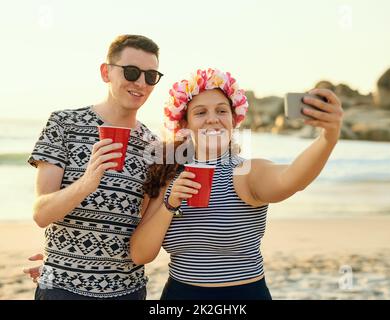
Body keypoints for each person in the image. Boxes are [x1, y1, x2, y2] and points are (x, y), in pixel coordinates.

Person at [129, 68, 344, 300]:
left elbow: (292, 179)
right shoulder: (167, 174)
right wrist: (170, 204)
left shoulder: (246, 173)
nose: (213, 118)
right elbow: (140, 255)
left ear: (234, 119)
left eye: (222, 111)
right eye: (200, 112)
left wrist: (327, 138)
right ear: (185, 123)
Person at [24, 34, 162, 300]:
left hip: (128, 291)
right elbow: (41, 214)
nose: (141, 83)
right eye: (131, 72)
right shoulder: (63, 124)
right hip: (62, 290)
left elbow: (144, 226)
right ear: (106, 72)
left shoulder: (154, 146)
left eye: (151, 76)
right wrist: (88, 181)